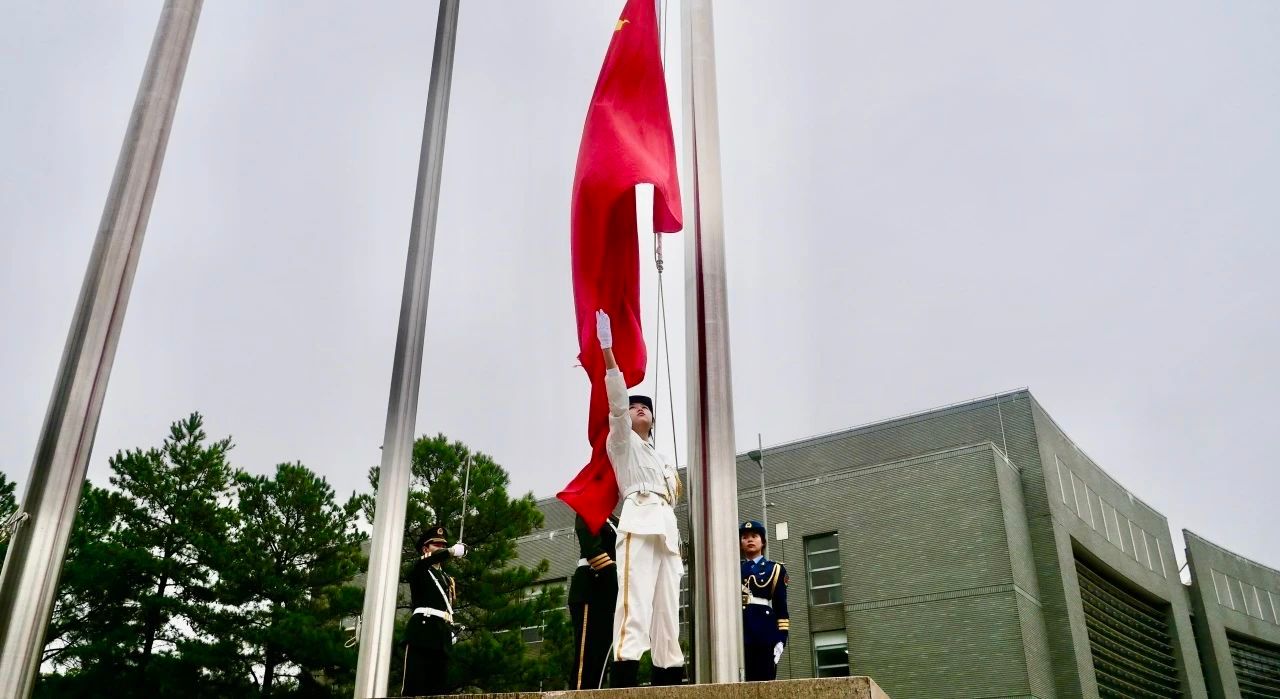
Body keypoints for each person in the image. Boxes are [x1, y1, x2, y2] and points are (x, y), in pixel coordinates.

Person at [595, 310, 685, 687]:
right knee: (635, 607)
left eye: (646, 406)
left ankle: (670, 679)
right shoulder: (622, 443)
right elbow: (616, 403)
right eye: (636, 407)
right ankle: (624, 682)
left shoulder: (663, 458)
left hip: (666, 529)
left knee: (667, 612)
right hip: (639, 518)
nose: (640, 408)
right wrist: (608, 350)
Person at [402, 524, 467, 697]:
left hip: (441, 633)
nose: (442, 548)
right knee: (415, 685)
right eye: (437, 545)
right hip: (423, 631)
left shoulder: (446, 578)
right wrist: (453, 551)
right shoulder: (421, 568)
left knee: (438, 688)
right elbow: (430, 560)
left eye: (444, 546)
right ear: (425, 549)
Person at [568, 512, 619, 689]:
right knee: (586, 657)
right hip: (591, 585)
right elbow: (592, 550)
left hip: (607, 592)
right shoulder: (586, 511)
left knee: (601, 658)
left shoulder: (614, 520)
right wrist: (617, 579)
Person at [740, 520, 789, 682]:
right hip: (738, 631)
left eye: (754, 536)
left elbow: (781, 608)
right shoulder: (733, 569)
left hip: (764, 632)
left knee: (764, 682)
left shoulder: (774, 569)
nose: (750, 540)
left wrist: (781, 639)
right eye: (745, 537)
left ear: (763, 541)